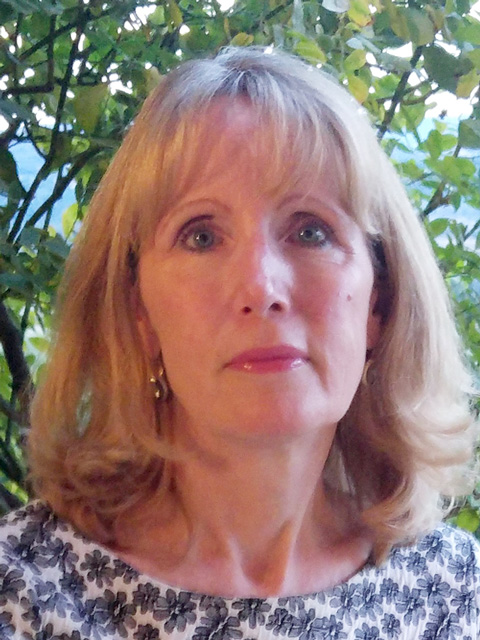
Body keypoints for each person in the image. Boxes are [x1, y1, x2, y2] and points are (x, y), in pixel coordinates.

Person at [0, 46, 478, 640]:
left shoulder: (457, 595)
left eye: (310, 231)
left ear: (379, 305)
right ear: (139, 313)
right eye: (201, 236)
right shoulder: (22, 595)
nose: (260, 287)